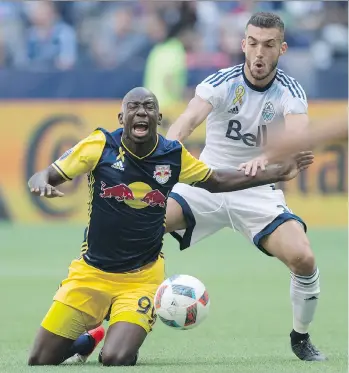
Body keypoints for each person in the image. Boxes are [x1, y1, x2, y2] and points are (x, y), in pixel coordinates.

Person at [27, 87, 307, 366]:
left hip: (141, 280)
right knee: (39, 360)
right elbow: (46, 174)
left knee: (116, 358)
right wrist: (41, 182)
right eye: (133, 107)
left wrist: (279, 172)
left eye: (148, 107)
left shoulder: (172, 155)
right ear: (121, 116)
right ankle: (88, 340)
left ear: (158, 117)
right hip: (90, 275)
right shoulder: (99, 145)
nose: (141, 112)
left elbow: (218, 180)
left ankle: (115, 336)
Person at [165, 12, 327, 361]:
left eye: (268, 45)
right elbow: (186, 121)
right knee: (142, 224)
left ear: (281, 49)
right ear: (243, 44)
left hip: (258, 189)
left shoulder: (291, 91)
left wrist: (268, 159)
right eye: (252, 43)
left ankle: (301, 337)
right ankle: (110, 319)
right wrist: (164, 155)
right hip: (208, 181)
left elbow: (296, 140)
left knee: (303, 258)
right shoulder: (222, 82)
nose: (259, 53)